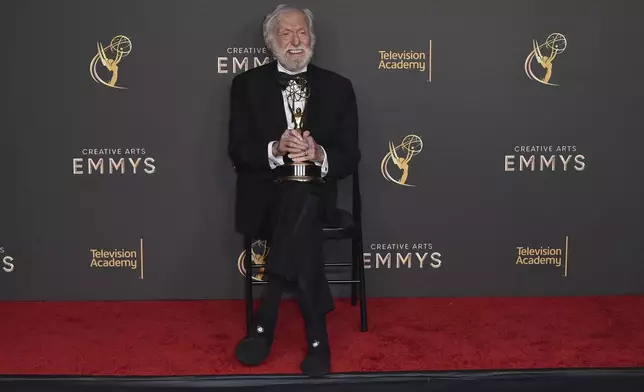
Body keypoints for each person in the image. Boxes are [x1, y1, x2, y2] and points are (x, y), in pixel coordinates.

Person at [227, 4, 360, 377]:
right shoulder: (246, 86)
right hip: (265, 199)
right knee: (296, 206)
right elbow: (237, 150)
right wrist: (276, 149)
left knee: (302, 199)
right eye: (286, 33)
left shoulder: (338, 87)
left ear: (312, 38)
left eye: (302, 32)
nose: (296, 41)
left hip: (319, 198)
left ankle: (264, 320)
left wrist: (319, 154)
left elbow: (351, 156)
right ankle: (318, 336)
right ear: (272, 43)